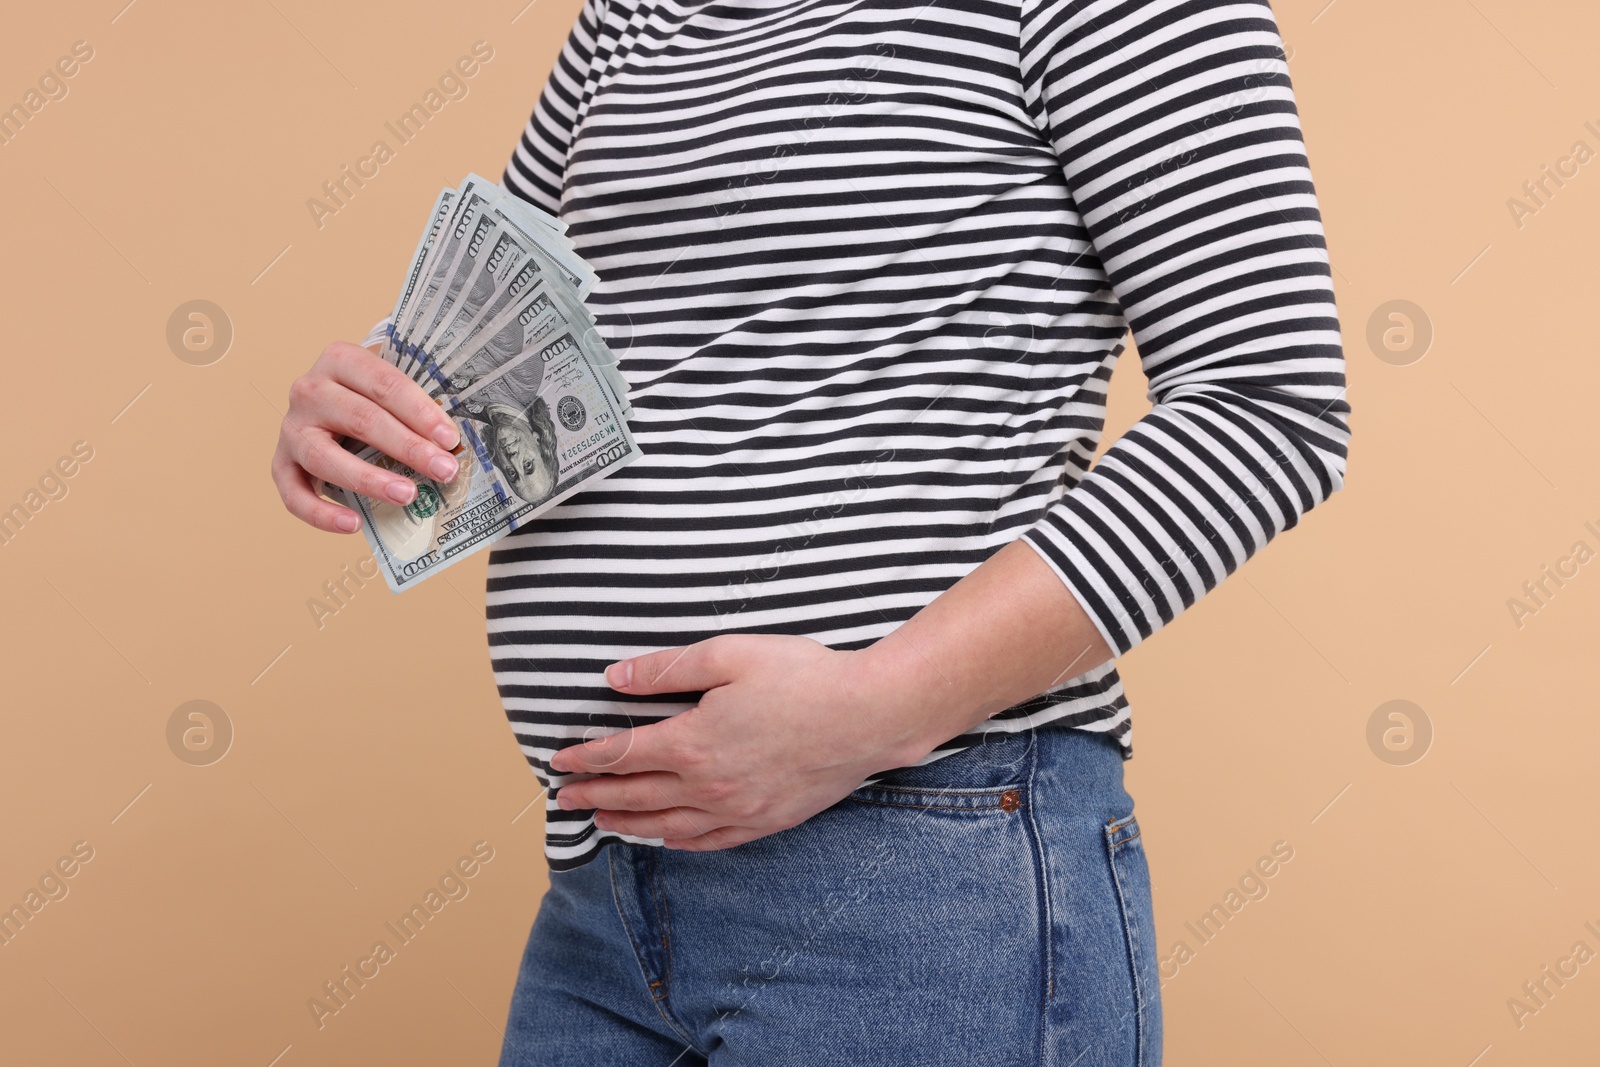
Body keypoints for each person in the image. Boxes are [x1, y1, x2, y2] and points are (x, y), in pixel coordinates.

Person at [270, 0, 1351, 1061]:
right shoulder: (633, 12)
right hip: (604, 885)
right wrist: (372, 419)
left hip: (920, 862)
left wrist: (875, 709)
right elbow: (515, 342)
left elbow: (1268, 406)